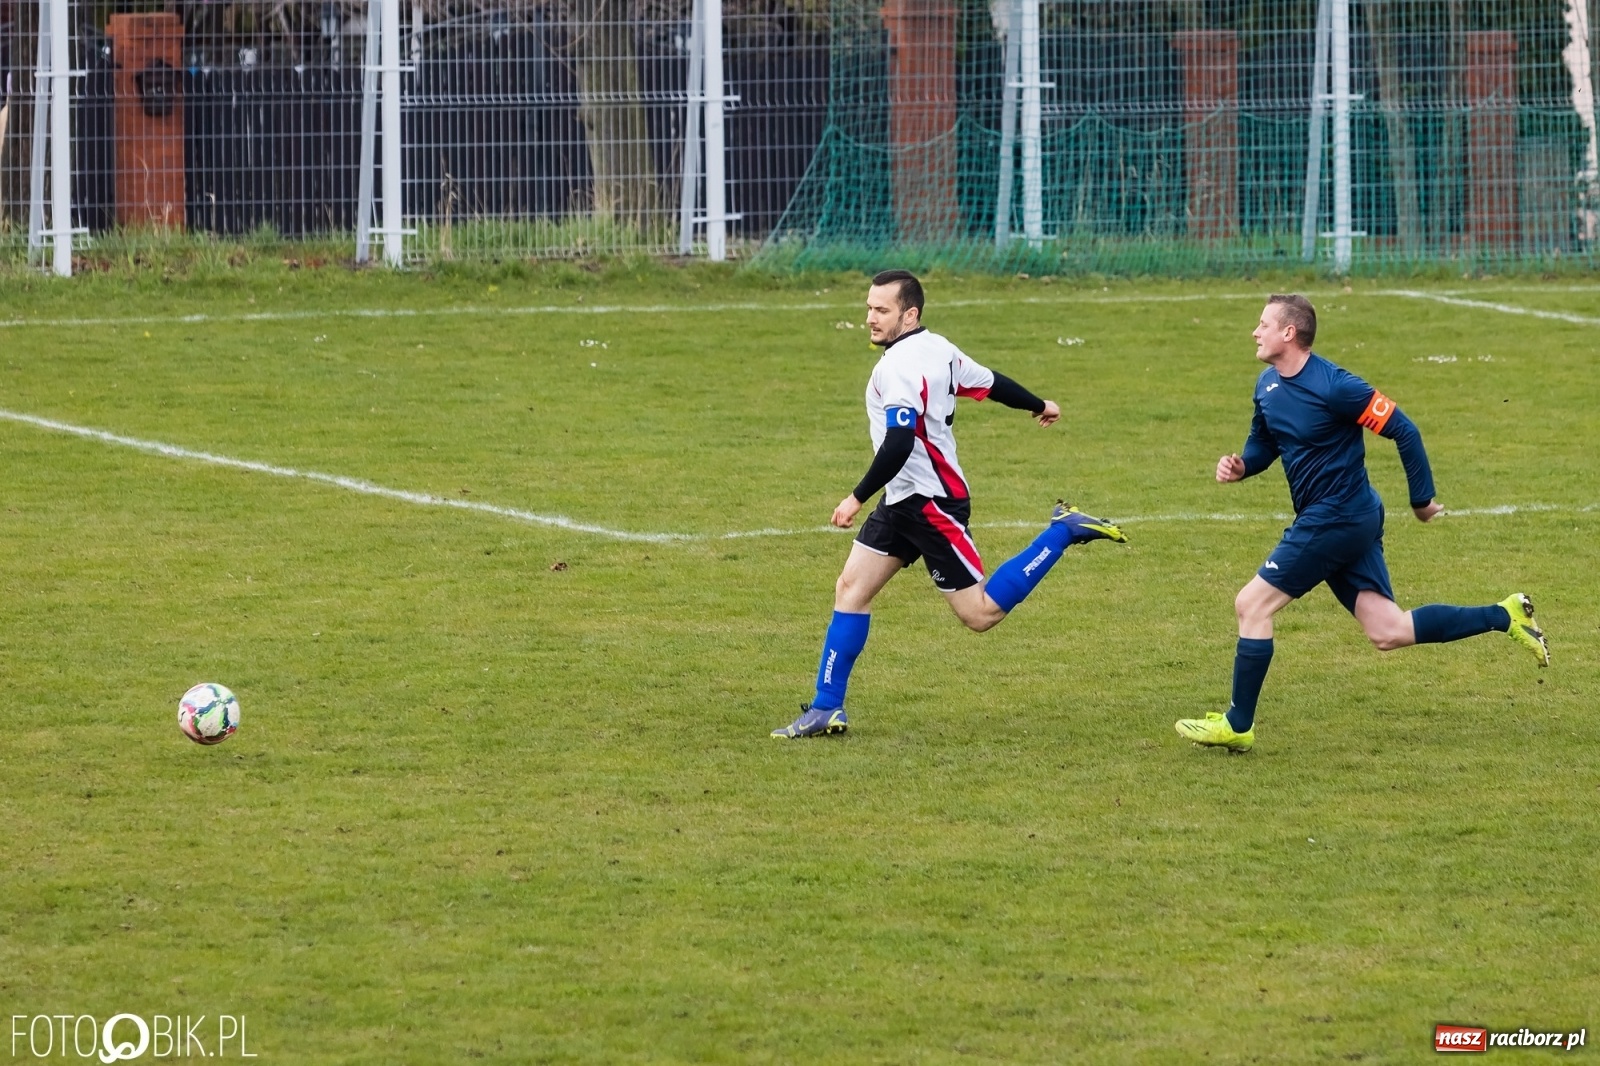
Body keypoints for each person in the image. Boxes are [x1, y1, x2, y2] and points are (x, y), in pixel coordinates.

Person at [1176, 294, 1549, 753]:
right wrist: (1243, 466)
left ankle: (1238, 724)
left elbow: (1404, 429)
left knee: (1251, 605)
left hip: (1338, 516)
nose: (1255, 332)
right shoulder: (1267, 384)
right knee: (1388, 631)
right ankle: (1504, 615)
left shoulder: (1337, 387)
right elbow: (1265, 441)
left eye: (1263, 325)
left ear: (1289, 333)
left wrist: (1421, 500)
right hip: (1344, 517)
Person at [772, 270, 1127, 739]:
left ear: (909, 314)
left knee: (979, 614)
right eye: (869, 308)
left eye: (881, 310)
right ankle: (826, 708)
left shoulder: (897, 368)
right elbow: (991, 383)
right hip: (902, 499)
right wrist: (1038, 403)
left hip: (931, 504)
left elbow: (899, 442)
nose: (870, 318)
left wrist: (856, 497)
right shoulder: (939, 348)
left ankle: (1063, 530)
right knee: (851, 590)